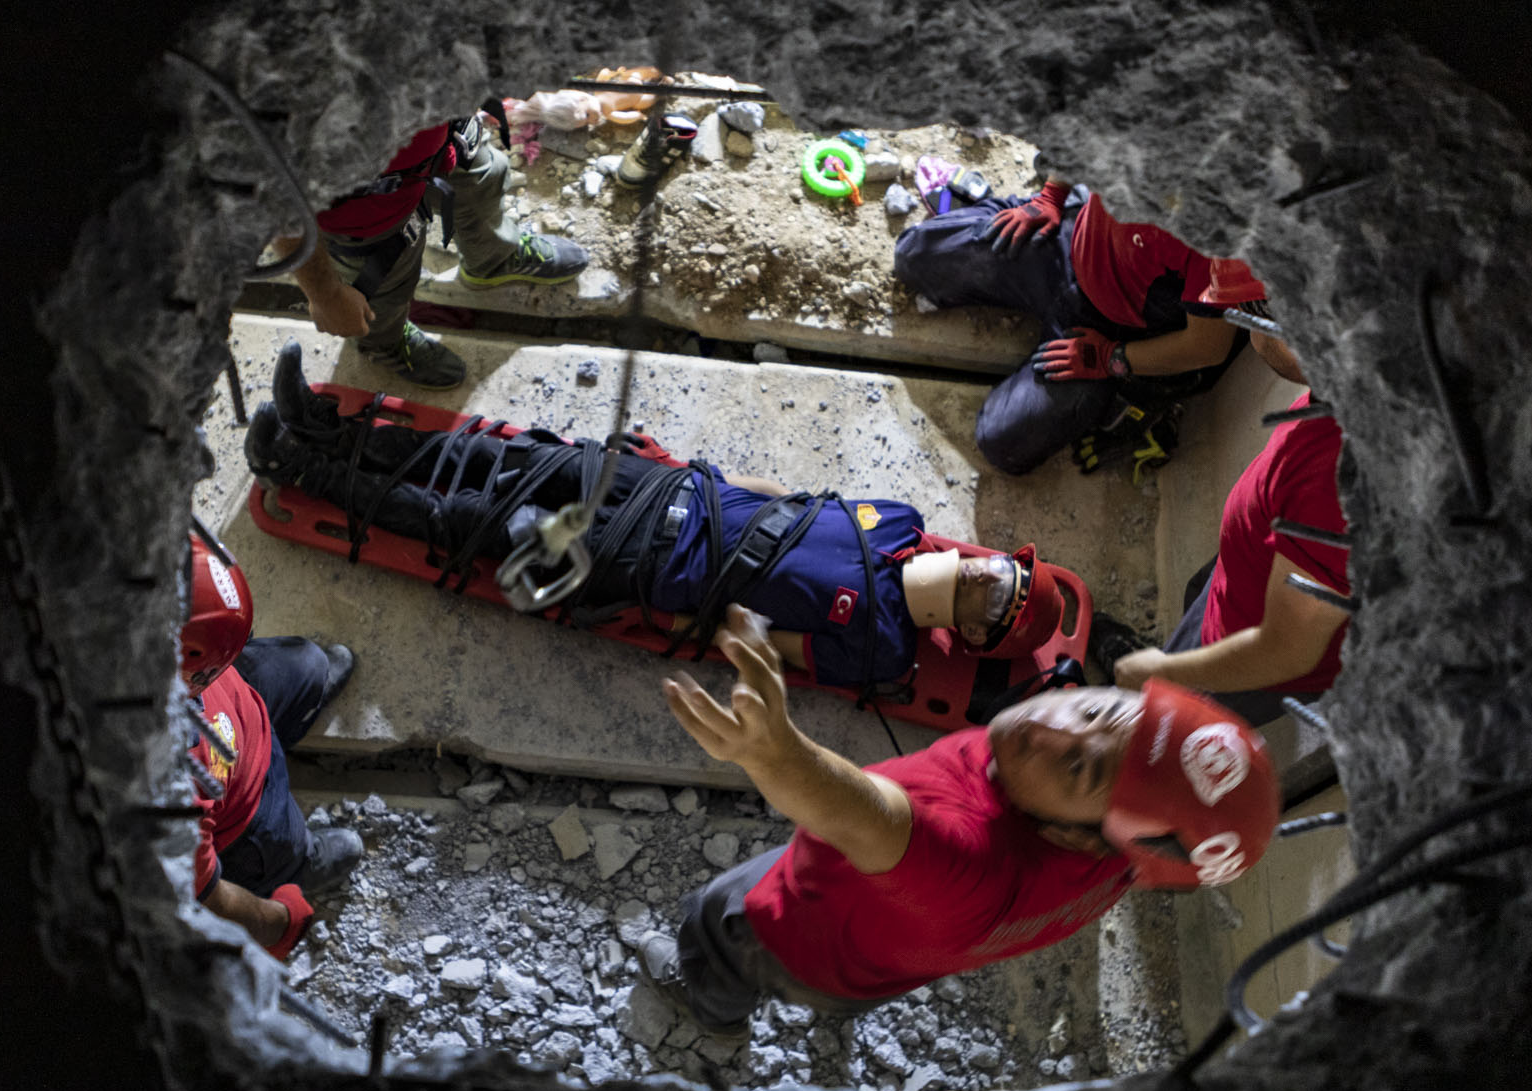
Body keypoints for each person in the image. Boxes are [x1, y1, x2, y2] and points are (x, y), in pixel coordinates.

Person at [244, 340, 1055, 703]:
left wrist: (671, 605)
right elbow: (791, 500)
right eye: (1001, 568)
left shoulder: (881, 647)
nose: (984, 571)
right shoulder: (900, 522)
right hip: (664, 491)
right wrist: (687, 470)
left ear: (972, 634)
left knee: (476, 517)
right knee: (496, 456)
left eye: (997, 596)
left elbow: (757, 647)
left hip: (648, 560)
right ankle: (328, 430)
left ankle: (303, 471)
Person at [637, 604, 1279, 1036]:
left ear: (1072, 837)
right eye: (1098, 712)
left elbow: (860, 816)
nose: (1051, 724)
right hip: (879, 962)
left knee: (718, 927)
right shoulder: (1128, 854)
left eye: (1080, 768)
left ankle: (709, 1008)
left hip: (792, 938)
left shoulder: (970, 864)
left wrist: (775, 753)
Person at [1102, 263, 1350, 728]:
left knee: (1164, 727)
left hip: (1248, 666)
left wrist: (1163, 673)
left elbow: (1285, 651)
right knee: (1201, 594)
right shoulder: (1354, 386)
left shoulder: (1339, 477)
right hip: (1249, 574)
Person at [892, 173, 1247, 476]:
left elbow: (1206, 347)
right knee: (913, 255)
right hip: (1066, 240)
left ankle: (1122, 398)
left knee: (1002, 444)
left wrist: (1110, 358)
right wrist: (1050, 197)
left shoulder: (1223, 225)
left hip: (1108, 330)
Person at [282, 110, 589, 389]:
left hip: (444, 137)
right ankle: (383, 344)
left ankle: (494, 261)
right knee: (381, 291)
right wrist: (327, 296)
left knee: (485, 177)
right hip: (365, 209)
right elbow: (269, 203)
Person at [177, 533, 367, 959]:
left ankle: (292, 700)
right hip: (244, 810)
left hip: (231, 700)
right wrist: (278, 923)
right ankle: (295, 863)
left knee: (307, 663)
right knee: (281, 844)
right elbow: (204, 896)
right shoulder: (166, 790)